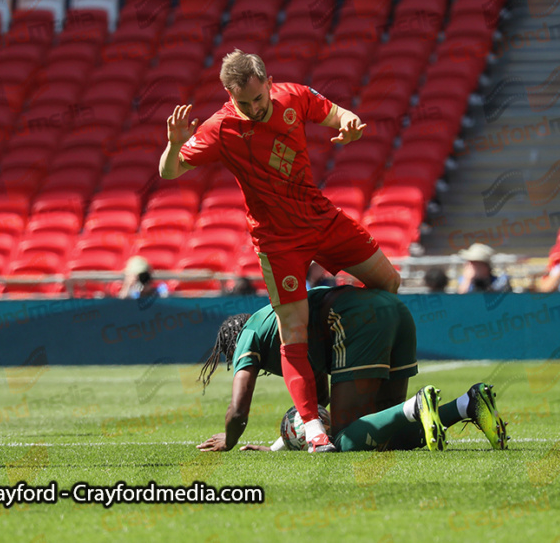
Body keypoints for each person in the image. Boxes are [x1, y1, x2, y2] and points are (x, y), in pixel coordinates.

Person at [159, 50, 400, 452]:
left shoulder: (294, 96)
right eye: (244, 103)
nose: (254, 108)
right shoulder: (220, 129)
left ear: (269, 82)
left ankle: (337, 344)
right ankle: (312, 427)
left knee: (389, 283)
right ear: (228, 94)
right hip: (277, 240)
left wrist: (350, 125)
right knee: (293, 329)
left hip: (320, 218)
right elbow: (169, 171)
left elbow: (336, 113)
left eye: (259, 99)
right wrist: (173, 144)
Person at [195, 286, 508, 452]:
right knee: (392, 434)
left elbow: (238, 410)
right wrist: (280, 445)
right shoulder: (278, 327)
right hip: (395, 310)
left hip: (355, 316)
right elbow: (317, 402)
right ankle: (469, 404)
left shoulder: (249, 332)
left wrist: (229, 440)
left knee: (343, 438)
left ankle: (415, 404)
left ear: (231, 344)